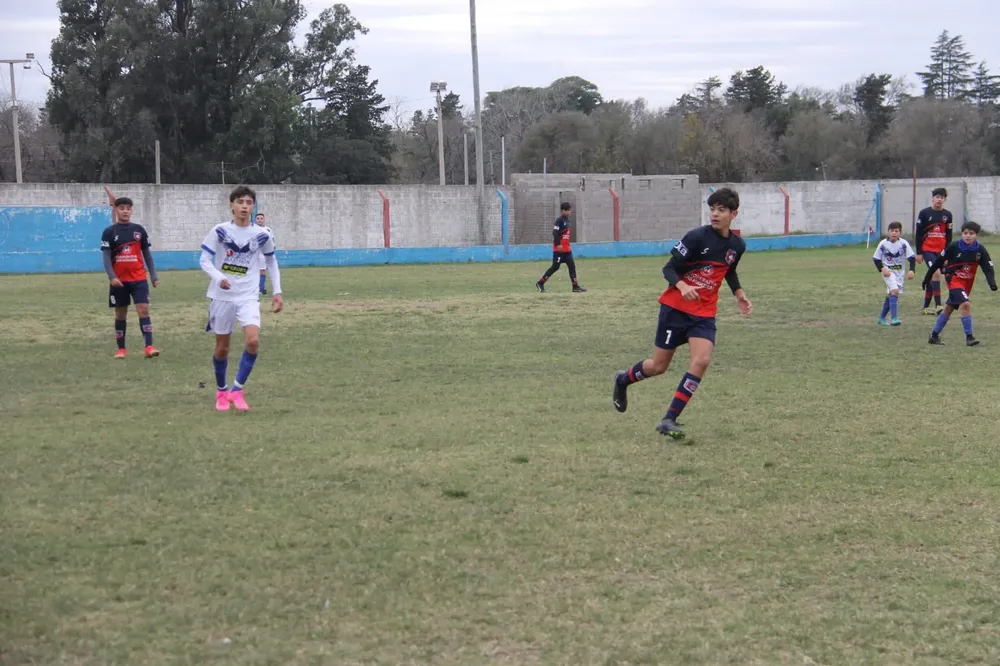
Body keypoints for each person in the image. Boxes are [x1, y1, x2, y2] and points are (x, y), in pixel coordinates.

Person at [611, 187, 751, 439]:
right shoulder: (697, 237)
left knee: (702, 360)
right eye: (712, 209)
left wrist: (739, 294)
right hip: (675, 310)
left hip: (704, 314)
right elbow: (669, 268)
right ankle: (623, 380)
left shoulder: (737, 246)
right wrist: (683, 285)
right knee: (657, 367)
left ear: (734, 214)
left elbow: (728, 270)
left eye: (721, 210)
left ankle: (669, 419)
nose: (715, 214)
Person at [200, 185, 284, 411]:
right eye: (240, 202)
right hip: (222, 297)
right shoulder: (219, 231)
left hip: (248, 296)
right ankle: (221, 391)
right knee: (222, 348)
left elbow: (272, 262)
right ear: (232, 206)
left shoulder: (262, 234)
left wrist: (277, 292)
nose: (244, 207)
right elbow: (204, 260)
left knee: (253, 341)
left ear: (253, 206)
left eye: (248, 203)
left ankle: (237, 390)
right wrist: (219, 278)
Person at [100, 196, 160, 359]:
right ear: (116, 210)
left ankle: (149, 346)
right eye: (122, 208)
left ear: (131, 210)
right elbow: (106, 257)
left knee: (143, 310)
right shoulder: (109, 232)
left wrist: (153, 275)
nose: (125, 211)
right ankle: (121, 349)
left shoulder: (139, 230)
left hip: (139, 279)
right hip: (119, 282)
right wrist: (112, 276)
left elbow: (147, 254)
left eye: (128, 208)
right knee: (120, 314)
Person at [924, 220, 996, 346]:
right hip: (953, 279)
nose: (968, 235)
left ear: (976, 235)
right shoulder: (954, 246)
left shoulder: (980, 250)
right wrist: (928, 276)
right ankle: (969, 337)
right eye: (965, 233)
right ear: (962, 234)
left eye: (971, 233)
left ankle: (934, 336)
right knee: (966, 304)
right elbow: (939, 261)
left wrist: (992, 282)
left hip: (967, 282)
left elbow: (987, 267)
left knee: (948, 308)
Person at [914, 187, 953, 315]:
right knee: (936, 273)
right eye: (937, 197)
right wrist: (919, 252)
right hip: (927, 250)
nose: (939, 200)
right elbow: (919, 233)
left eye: (941, 197)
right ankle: (938, 305)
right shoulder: (924, 213)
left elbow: (949, 235)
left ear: (945, 200)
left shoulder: (947, 215)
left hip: (941, 252)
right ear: (932, 198)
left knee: (933, 276)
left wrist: (948, 253)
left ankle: (925, 307)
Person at [872, 221, 916, 326]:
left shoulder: (903, 244)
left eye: (896, 231)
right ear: (888, 232)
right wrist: (882, 269)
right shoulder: (883, 244)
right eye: (892, 231)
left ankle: (881, 318)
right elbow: (876, 258)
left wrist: (911, 270)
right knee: (895, 291)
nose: (894, 233)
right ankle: (894, 318)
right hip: (888, 272)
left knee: (891, 294)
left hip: (899, 273)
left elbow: (911, 258)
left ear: (900, 233)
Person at [536, 202, 586, 293]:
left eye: (570, 210)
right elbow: (555, 233)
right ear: (563, 211)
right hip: (559, 249)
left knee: (572, 266)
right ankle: (540, 283)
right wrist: (558, 244)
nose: (569, 212)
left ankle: (575, 286)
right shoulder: (559, 220)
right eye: (567, 210)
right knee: (555, 267)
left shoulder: (568, 221)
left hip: (567, 249)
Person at [254, 211, 273, 295]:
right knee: (252, 271)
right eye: (258, 218)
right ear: (255, 220)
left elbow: (272, 241)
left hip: (263, 254)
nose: (259, 220)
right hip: (253, 254)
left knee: (262, 271)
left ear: (264, 220)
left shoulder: (268, 230)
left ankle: (261, 288)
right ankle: (254, 288)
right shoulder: (252, 229)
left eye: (261, 218)